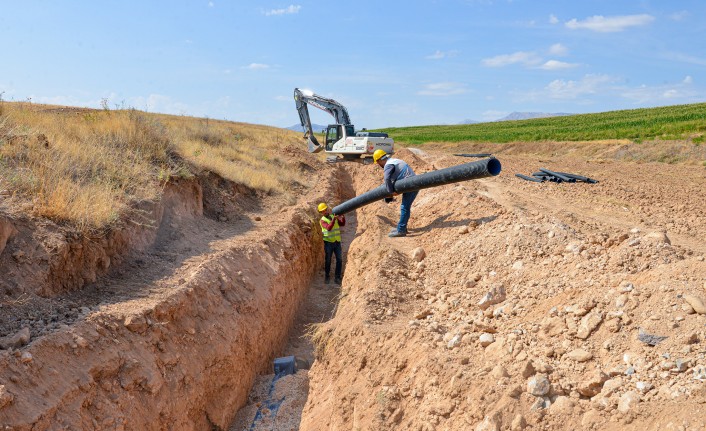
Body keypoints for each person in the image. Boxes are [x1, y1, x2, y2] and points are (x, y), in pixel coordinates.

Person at [373, 149, 417, 237]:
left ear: (379, 160)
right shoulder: (395, 161)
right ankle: (402, 228)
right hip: (412, 183)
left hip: (410, 185)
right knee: (405, 207)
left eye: (377, 163)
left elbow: (387, 179)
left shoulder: (388, 165)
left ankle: (401, 230)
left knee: (405, 207)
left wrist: (391, 192)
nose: (378, 165)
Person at [318, 202, 345, 284]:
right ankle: (327, 276)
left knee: (339, 260)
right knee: (328, 260)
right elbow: (329, 228)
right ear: (320, 212)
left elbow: (342, 224)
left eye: (325, 209)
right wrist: (334, 219)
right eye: (322, 211)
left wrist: (342, 217)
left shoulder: (333, 216)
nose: (325, 211)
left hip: (337, 241)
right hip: (328, 243)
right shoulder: (322, 221)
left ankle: (337, 277)